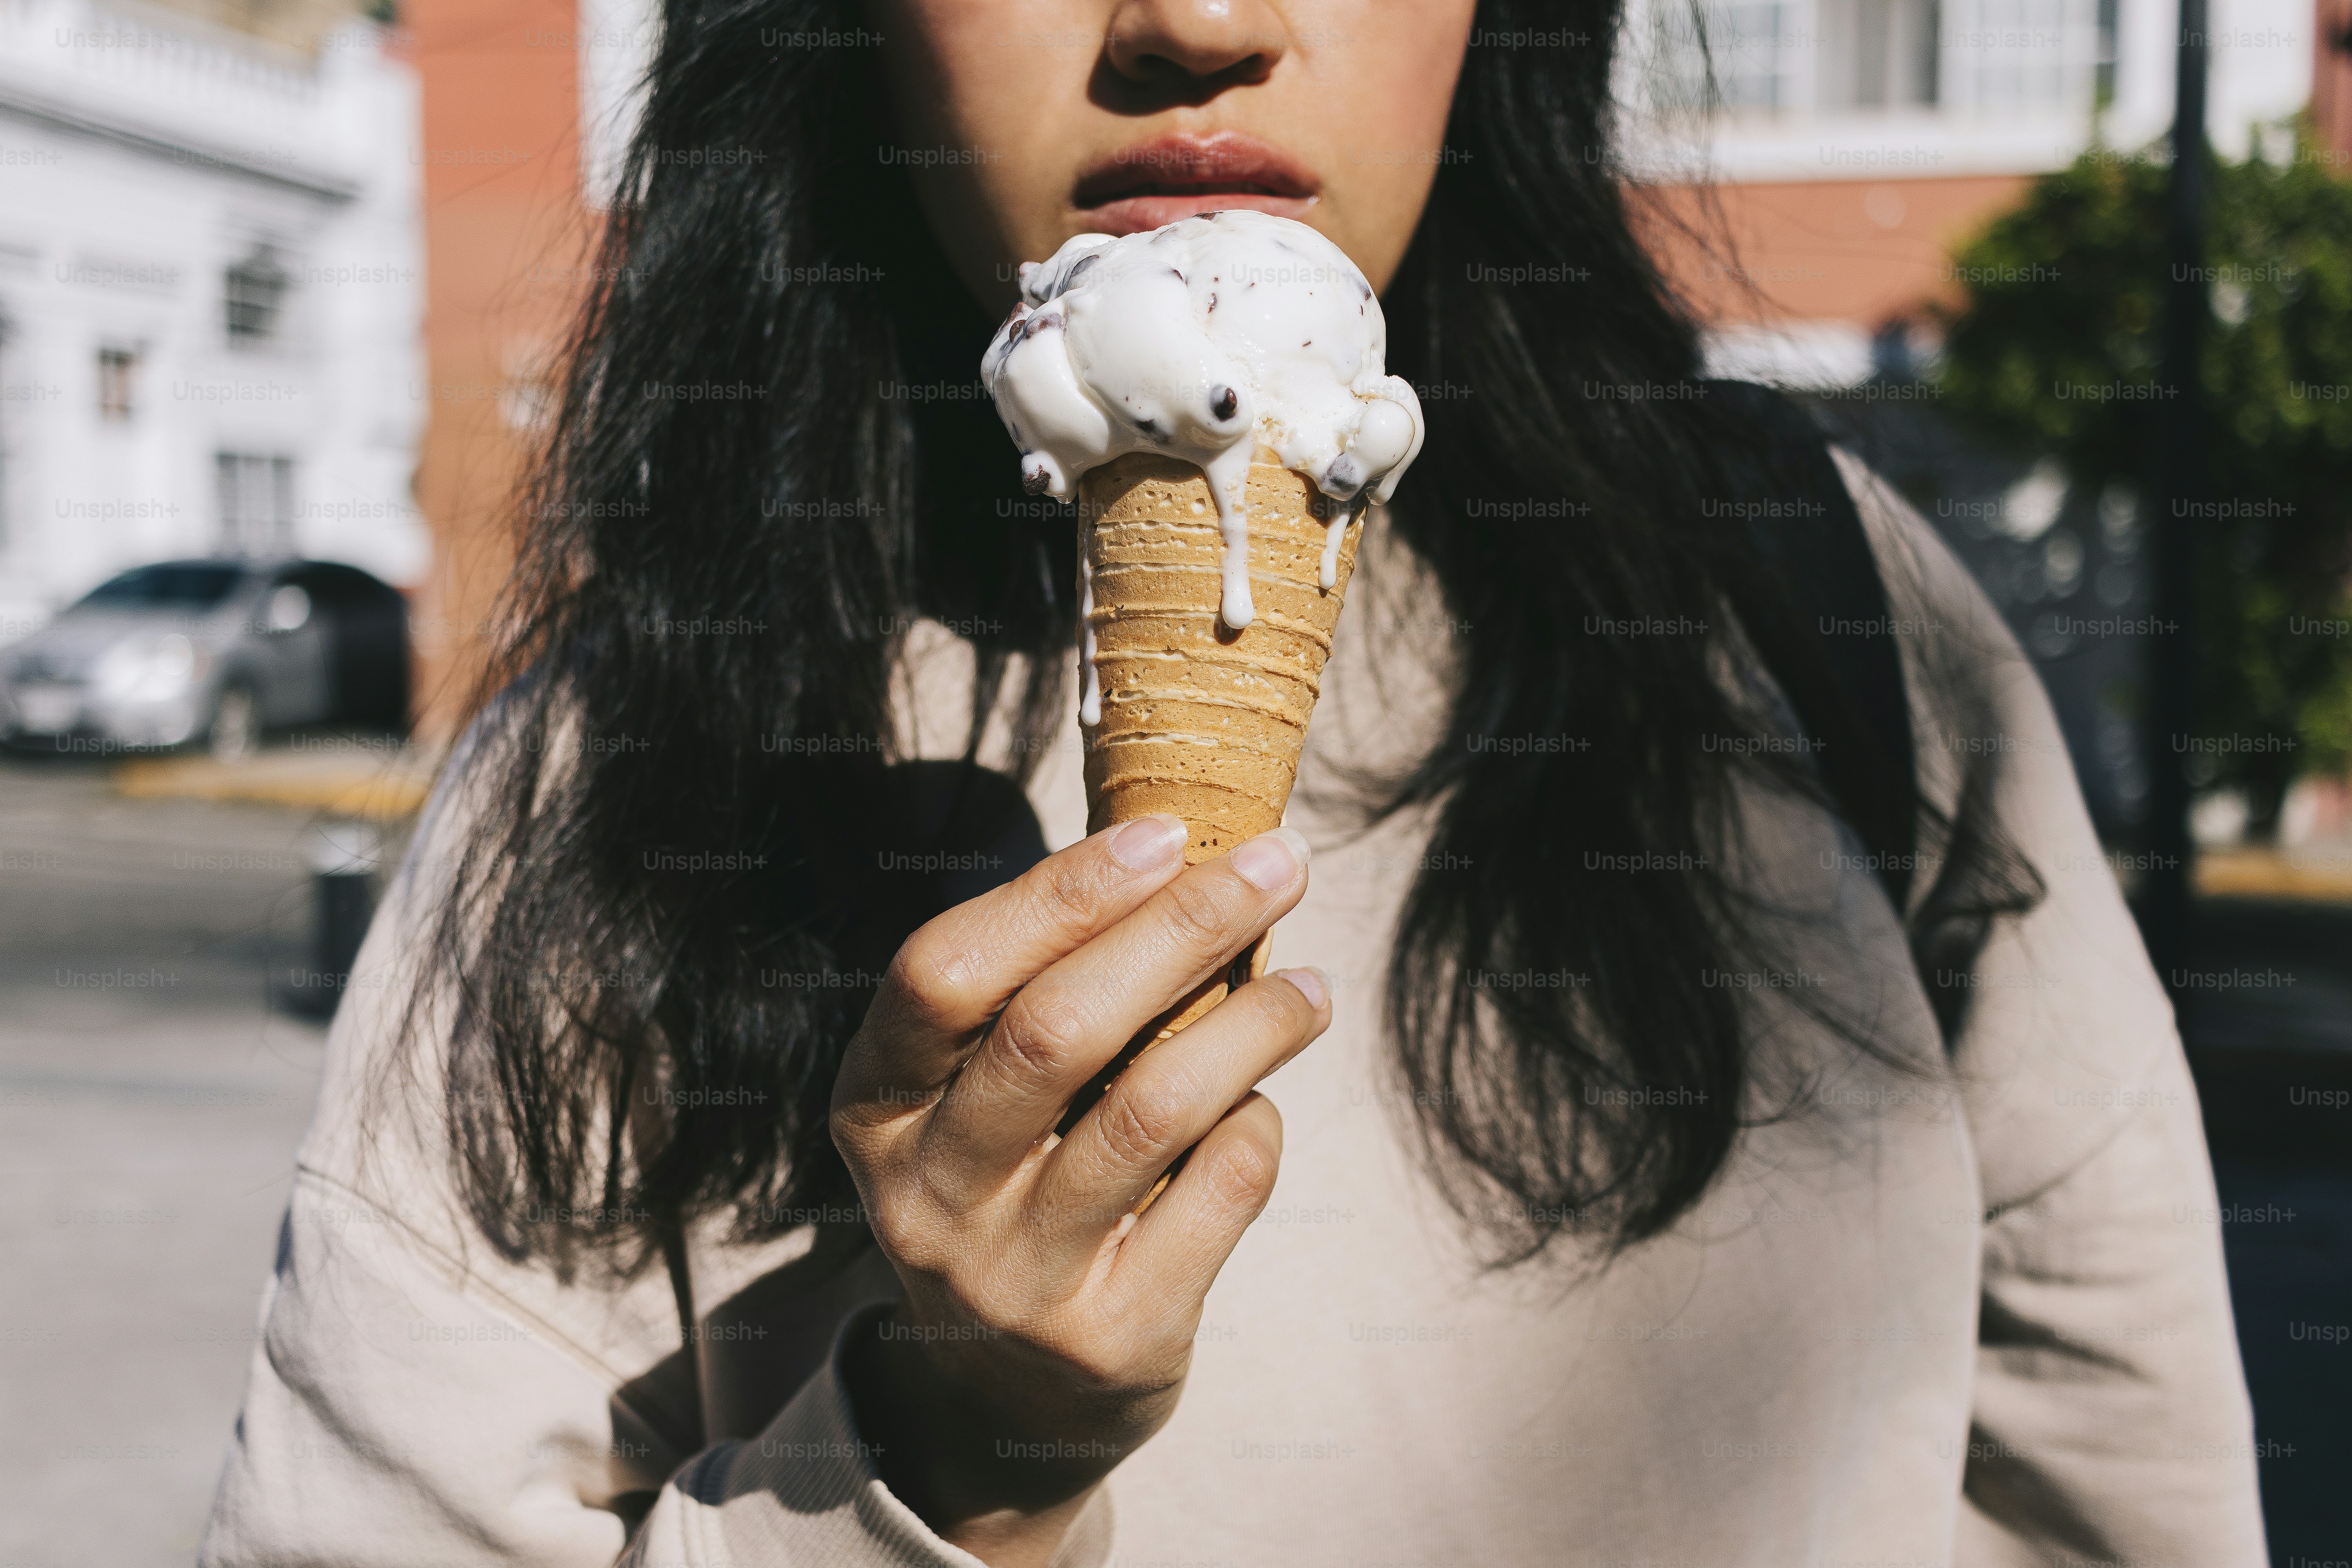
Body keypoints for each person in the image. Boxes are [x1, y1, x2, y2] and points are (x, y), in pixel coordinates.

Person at [199, 2, 2269, 1565]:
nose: (1195, 20)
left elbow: (2119, 1493)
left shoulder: (1828, 607)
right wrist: (948, 1467)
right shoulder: (607, 783)